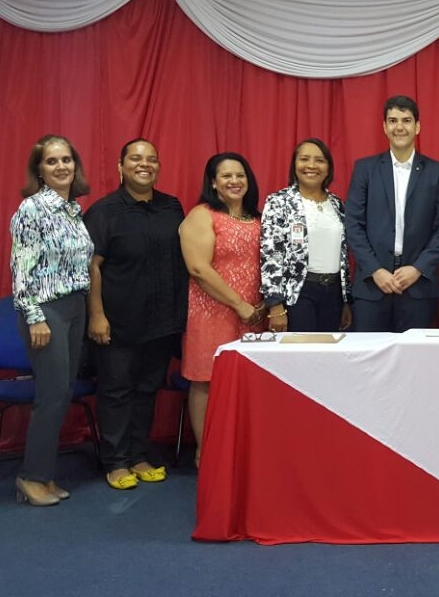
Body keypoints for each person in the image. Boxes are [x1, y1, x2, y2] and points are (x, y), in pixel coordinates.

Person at [85, 139, 187, 490]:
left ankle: (138, 454)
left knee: (147, 389)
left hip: (161, 321)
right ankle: (115, 461)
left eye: (152, 159)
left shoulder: (172, 206)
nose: (145, 165)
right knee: (116, 391)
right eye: (136, 159)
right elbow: (92, 266)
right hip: (117, 320)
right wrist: (96, 315)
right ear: (121, 166)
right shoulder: (104, 211)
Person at [9, 134, 94, 506]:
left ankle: (45, 474)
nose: (61, 167)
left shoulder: (71, 209)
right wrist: (34, 317)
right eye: (52, 161)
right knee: (52, 394)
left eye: (66, 160)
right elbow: (21, 270)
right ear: (39, 170)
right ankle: (31, 476)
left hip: (75, 307)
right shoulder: (32, 210)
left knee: (62, 393)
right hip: (46, 311)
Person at [179, 152, 265, 467]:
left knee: (246, 381)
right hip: (213, 310)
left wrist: (258, 306)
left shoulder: (257, 218)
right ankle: (206, 451)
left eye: (240, 175)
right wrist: (238, 304)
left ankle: (240, 448)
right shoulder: (202, 215)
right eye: (226, 176)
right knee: (206, 379)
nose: (234, 181)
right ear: (213, 183)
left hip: (254, 314)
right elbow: (198, 268)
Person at [344, 95, 439, 332]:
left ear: (418, 126)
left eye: (406, 120)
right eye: (393, 121)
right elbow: (353, 224)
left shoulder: (437, 172)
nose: (400, 127)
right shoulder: (365, 169)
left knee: (414, 364)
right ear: (384, 126)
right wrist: (375, 269)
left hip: (418, 285)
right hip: (372, 285)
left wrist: (418, 268)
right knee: (369, 362)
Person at [260, 139, 352, 333]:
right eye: (304, 159)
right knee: (301, 358)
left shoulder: (338, 204)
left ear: (328, 168)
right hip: (299, 294)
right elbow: (271, 255)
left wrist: (346, 300)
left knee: (329, 357)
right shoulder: (279, 202)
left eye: (319, 160)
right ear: (294, 166)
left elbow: (344, 256)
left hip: (333, 293)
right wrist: (275, 305)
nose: (311, 165)